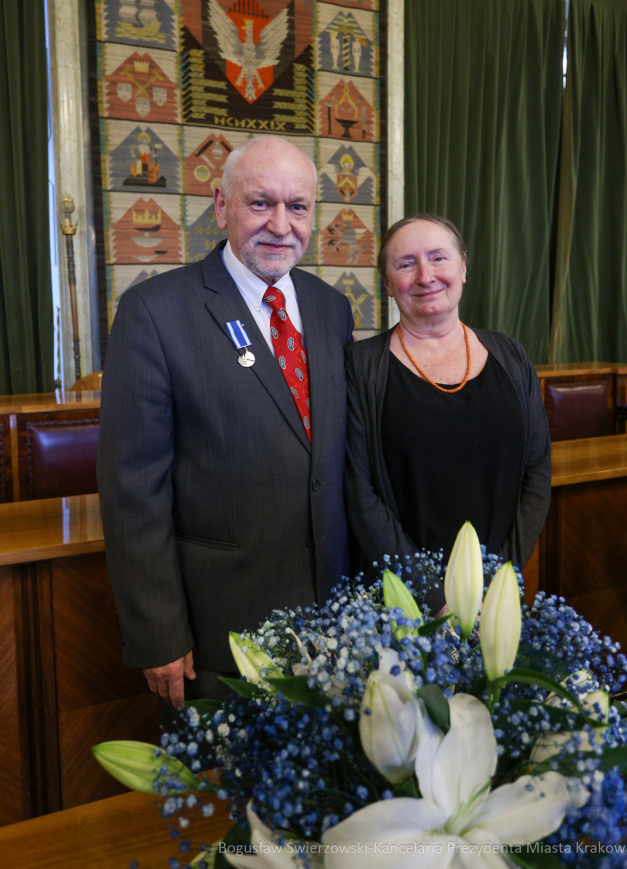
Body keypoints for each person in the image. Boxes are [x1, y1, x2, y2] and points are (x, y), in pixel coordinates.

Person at [97, 136, 354, 706]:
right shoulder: (155, 313)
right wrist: (158, 632)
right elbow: (133, 489)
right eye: (260, 203)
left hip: (335, 630)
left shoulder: (330, 308)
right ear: (221, 206)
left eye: (299, 206)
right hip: (220, 638)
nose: (281, 225)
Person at [345, 214, 550, 605]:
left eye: (439, 258)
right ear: (388, 283)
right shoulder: (361, 366)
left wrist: (498, 582)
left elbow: (537, 470)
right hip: (399, 599)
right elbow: (360, 492)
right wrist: (434, 597)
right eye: (406, 264)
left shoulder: (510, 353)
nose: (426, 276)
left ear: (463, 268)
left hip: (496, 597)